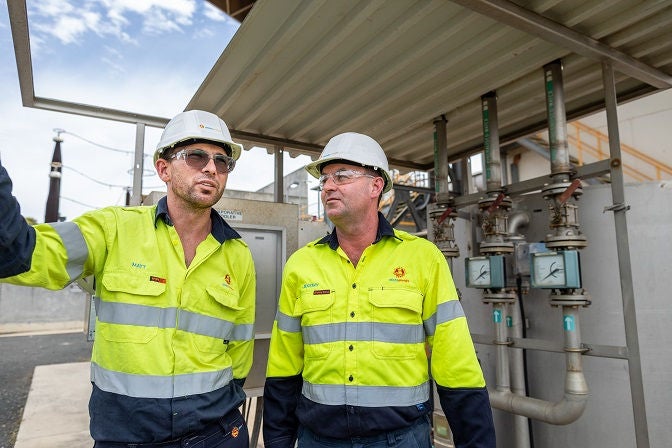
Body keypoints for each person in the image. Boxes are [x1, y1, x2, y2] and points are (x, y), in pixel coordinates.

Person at [0, 110, 256, 448]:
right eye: (197, 156)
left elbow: (239, 347)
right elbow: (22, 253)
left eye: (222, 161)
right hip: (128, 436)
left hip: (218, 433)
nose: (212, 168)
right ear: (164, 169)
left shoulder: (238, 255)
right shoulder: (112, 229)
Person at [262, 132, 495, 448]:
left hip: (400, 439)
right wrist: (278, 440)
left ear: (376, 186)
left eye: (341, 176)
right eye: (325, 179)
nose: (328, 186)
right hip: (319, 440)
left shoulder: (422, 258)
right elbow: (283, 365)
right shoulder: (301, 265)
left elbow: (457, 364)